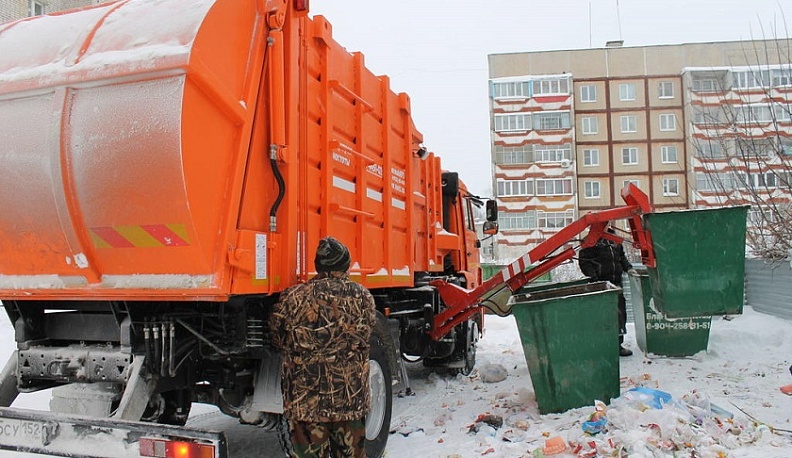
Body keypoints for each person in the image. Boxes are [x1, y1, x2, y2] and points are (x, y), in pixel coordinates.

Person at [270, 236, 376, 458]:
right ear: (346, 264)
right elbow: (366, 335)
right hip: (350, 400)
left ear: (317, 265)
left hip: (306, 402)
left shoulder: (294, 297)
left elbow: (278, 338)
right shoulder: (363, 297)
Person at [578, 226, 634, 357]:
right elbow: (584, 261)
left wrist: (629, 268)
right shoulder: (591, 240)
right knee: (602, 316)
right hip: (601, 285)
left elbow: (621, 257)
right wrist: (594, 276)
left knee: (619, 314)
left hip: (617, 283)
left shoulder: (613, 239)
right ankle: (601, 345)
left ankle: (617, 345)